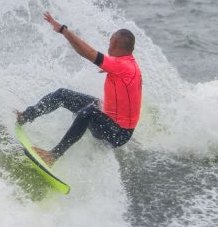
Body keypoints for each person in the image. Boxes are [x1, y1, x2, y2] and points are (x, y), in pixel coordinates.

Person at [16, 11, 142, 166]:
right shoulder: (128, 63)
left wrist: (63, 30)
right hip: (112, 120)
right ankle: (26, 116)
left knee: (88, 112)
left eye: (110, 42)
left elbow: (87, 53)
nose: (108, 45)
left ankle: (53, 155)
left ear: (114, 43)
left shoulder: (121, 66)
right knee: (63, 94)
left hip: (118, 134)